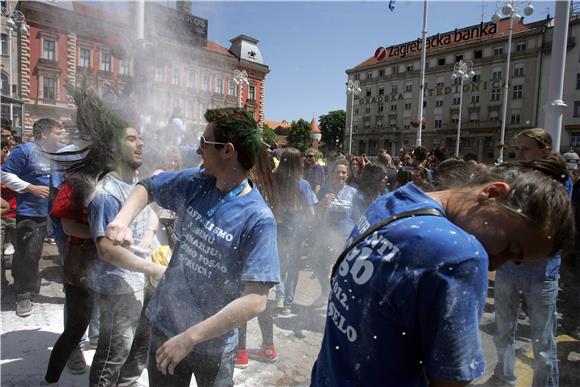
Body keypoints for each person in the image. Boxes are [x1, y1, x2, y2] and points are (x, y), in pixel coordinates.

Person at [311, 154, 573, 387]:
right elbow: (451, 380)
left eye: (513, 261)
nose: (495, 264)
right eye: (510, 247)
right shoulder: (461, 255)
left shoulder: (397, 200)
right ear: (492, 193)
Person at [106, 107, 280, 387]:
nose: (198, 151)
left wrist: (190, 338)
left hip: (213, 346)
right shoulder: (198, 182)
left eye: (203, 143)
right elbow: (148, 186)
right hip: (166, 326)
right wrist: (121, 220)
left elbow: (256, 300)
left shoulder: (258, 218)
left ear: (228, 151)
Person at [490, 128, 569, 387]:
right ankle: (505, 378)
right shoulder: (513, 176)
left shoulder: (558, 180)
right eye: (517, 149)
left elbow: (559, 225)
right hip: (509, 269)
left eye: (526, 149)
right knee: (502, 334)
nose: (519, 154)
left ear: (544, 150)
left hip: (541, 273)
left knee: (544, 343)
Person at [1, 118, 62, 317]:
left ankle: (30, 284)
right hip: (29, 213)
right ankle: (23, 294)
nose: (59, 137)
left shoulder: (56, 154)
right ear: (43, 134)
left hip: (52, 213)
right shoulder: (24, 151)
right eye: (56, 133)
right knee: (27, 253)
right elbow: (4, 175)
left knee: (35, 253)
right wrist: (30, 188)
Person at [273, 147, 318, 315]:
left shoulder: (274, 180)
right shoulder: (303, 184)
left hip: (277, 229)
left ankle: (279, 294)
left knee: (279, 264)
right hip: (296, 232)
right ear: (296, 164)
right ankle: (287, 304)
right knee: (292, 267)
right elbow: (311, 213)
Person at [312, 159, 357, 307]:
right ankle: (325, 291)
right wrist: (322, 202)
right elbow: (314, 214)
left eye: (343, 172)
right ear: (332, 174)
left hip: (345, 238)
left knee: (342, 271)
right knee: (319, 264)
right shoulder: (324, 190)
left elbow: (358, 216)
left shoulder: (353, 193)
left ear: (348, 174)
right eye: (337, 172)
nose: (340, 175)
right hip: (326, 236)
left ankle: (341, 301)